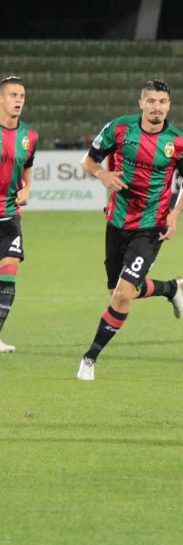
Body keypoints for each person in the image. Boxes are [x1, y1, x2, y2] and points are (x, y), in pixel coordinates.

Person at [76, 79, 183, 381]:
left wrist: (175, 214)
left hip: (150, 227)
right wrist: (102, 174)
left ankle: (90, 358)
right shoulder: (119, 129)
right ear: (141, 103)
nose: (157, 107)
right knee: (118, 292)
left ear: (169, 105)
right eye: (152, 101)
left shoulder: (179, 142)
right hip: (117, 223)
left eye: (163, 102)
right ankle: (170, 288)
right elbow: (88, 161)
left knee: (122, 295)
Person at [0, 76, 38, 353]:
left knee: (9, 275)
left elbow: (27, 167)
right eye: (13, 95)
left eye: (22, 96)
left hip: (10, 216)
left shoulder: (29, 136)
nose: (18, 100)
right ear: (1, 99)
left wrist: (28, 189)